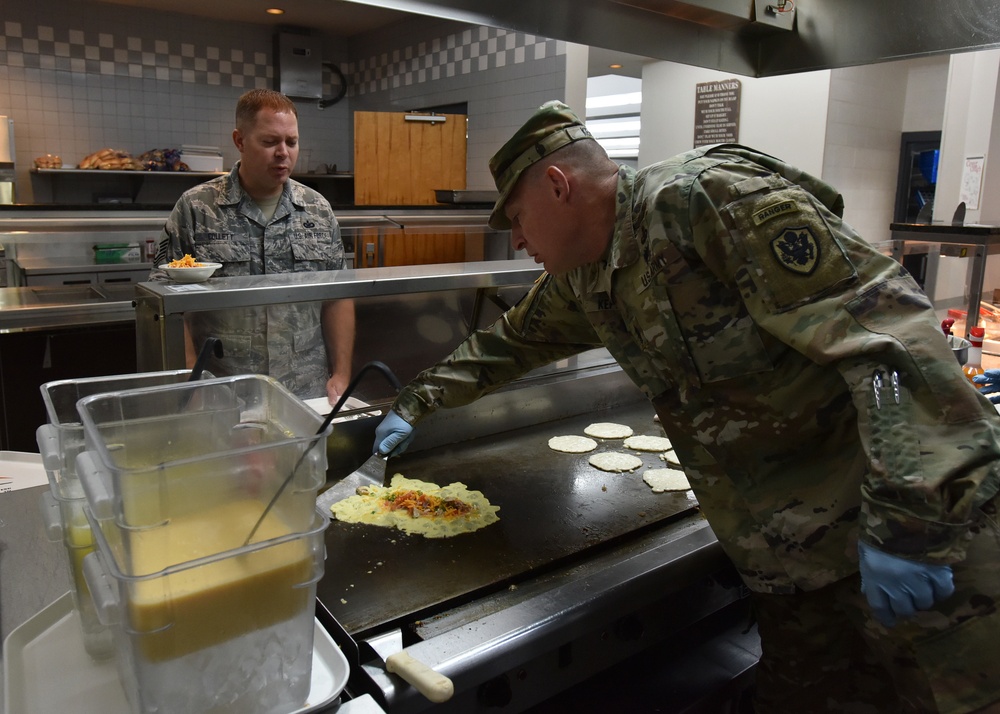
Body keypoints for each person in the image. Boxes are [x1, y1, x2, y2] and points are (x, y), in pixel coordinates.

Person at [372, 100, 1000, 713]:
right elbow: (508, 344)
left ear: (558, 185)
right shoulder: (585, 276)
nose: (517, 240)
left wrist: (907, 523)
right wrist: (417, 402)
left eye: (517, 217)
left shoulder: (707, 200)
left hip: (904, 542)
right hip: (788, 566)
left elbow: (890, 343)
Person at [152, 88, 354, 402]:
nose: (283, 153)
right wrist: (190, 380)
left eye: (292, 142)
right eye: (270, 141)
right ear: (240, 140)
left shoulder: (317, 209)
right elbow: (167, 305)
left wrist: (342, 373)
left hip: (305, 389)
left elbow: (337, 297)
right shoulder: (197, 208)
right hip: (224, 390)